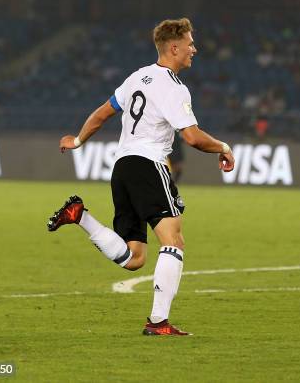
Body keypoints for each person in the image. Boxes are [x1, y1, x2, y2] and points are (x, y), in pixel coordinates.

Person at [47, 18, 235, 336]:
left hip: (122, 167)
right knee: (174, 241)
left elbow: (102, 113)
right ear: (173, 47)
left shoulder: (137, 77)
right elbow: (191, 137)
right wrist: (223, 147)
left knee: (134, 258)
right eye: (190, 43)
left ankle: (82, 218)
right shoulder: (173, 87)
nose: (194, 49)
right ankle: (158, 323)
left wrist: (78, 141)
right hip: (148, 165)